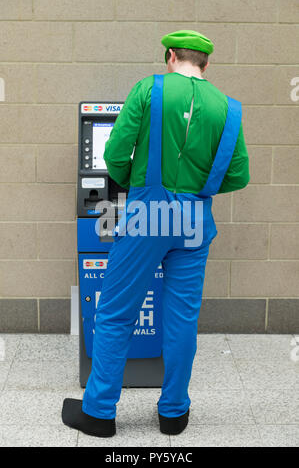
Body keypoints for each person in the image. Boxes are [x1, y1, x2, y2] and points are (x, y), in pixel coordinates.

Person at [62, 30, 250, 438]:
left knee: (115, 311)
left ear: (169, 56)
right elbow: (240, 175)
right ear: (206, 63)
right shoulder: (229, 108)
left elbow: (114, 153)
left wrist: (141, 185)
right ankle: (173, 414)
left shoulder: (149, 89)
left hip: (149, 214)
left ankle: (98, 413)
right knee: (182, 319)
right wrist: (198, 188)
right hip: (196, 220)